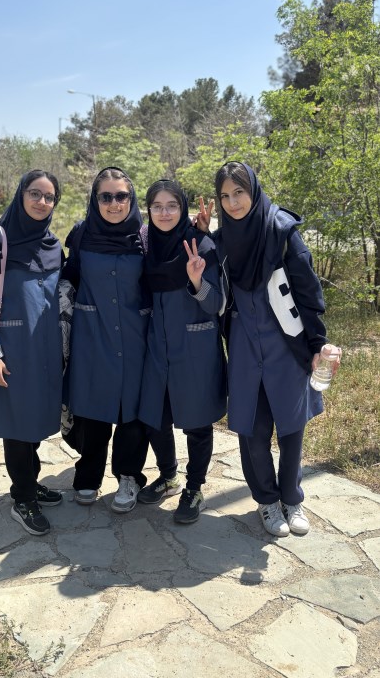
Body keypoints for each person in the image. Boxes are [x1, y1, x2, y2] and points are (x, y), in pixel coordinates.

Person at [196, 161, 341, 536]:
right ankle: (267, 501)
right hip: (244, 349)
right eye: (225, 196)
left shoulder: (282, 232)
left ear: (254, 191)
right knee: (252, 431)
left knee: (291, 428)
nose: (233, 203)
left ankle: (292, 499)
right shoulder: (221, 242)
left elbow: (308, 293)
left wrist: (318, 342)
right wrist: (199, 252)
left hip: (286, 346)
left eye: (239, 192)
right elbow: (212, 297)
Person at [0, 170, 64, 536]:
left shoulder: (53, 245)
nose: (42, 202)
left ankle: (30, 482)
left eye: (49, 197)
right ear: (20, 195)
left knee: (36, 417)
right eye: (35, 193)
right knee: (17, 423)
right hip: (12, 349)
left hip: (48, 348)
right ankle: (23, 498)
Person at [138, 180, 227, 524]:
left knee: (197, 422)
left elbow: (216, 304)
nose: (164, 213)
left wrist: (196, 281)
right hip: (156, 347)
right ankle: (168, 475)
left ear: (182, 208)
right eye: (157, 206)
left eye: (172, 205)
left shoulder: (201, 245)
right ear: (148, 210)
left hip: (194, 348)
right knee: (155, 418)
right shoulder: (147, 245)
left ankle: (194, 487)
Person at [62, 167, 150, 513]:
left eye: (122, 196)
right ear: (95, 199)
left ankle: (128, 476)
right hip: (92, 335)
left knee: (132, 413)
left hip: (135, 336)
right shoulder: (82, 235)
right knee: (93, 410)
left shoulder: (145, 237)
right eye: (106, 196)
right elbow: (68, 277)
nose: (114, 204)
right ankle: (88, 475)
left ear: (132, 198)